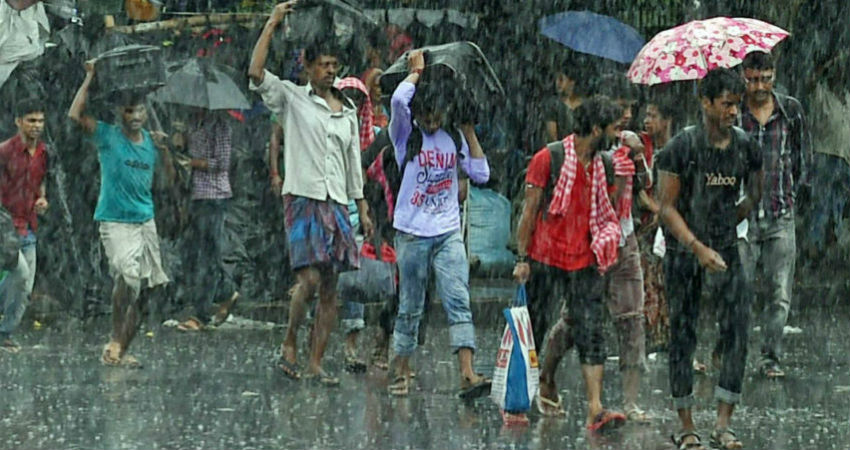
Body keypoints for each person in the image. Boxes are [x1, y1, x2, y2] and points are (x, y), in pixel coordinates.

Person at [248, 1, 373, 386]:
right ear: (308, 66)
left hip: (338, 202)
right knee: (309, 281)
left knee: (333, 286)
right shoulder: (292, 97)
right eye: (324, 65)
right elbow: (255, 72)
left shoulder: (347, 110)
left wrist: (363, 207)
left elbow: (354, 165)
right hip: (302, 197)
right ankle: (289, 342)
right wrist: (272, 23)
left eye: (335, 65)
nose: (331, 71)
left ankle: (316, 362)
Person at [656, 68, 762, 450]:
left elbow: (753, 195)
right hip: (684, 253)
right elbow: (666, 208)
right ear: (705, 103)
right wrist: (697, 246)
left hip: (727, 249)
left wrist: (723, 230)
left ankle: (723, 422)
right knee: (682, 335)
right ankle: (686, 424)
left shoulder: (747, 147)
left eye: (738, 104)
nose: (734, 111)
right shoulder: (681, 148)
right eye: (727, 104)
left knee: (736, 329)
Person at [515, 94, 626, 430]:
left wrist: (627, 171)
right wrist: (522, 258)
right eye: (612, 129)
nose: (616, 136)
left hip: (584, 259)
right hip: (545, 257)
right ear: (595, 129)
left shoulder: (605, 162)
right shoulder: (549, 158)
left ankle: (595, 408)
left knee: (591, 331)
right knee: (531, 328)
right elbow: (529, 210)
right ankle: (520, 396)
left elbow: (609, 206)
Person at [386, 50, 490, 398]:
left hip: (446, 232)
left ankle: (467, 373)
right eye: (426, 111)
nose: (432, 118)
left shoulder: (452, 139)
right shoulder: (405, 136)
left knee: (458, 299)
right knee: (411, 306)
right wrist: (416, 73)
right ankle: (400, 369)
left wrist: (469, 131)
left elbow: (481, 173)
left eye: (438, 112)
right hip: (412, 234)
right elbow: (399, 100)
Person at [68, 60, 175, 368]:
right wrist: (89, 77)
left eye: (140, 110)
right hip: (115, 221)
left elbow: (167, 182)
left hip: (145, 220)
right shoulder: (108, 135)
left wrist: (165, 150)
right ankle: (115, 336)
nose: (137, 116)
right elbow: (75, 115)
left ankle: (120, 349)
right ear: (120, 114)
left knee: (151, 287)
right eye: (130, 111)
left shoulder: (151, 144)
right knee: (129, 279)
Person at [737, 51, 811, 379]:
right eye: (753, 79)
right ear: (744, 77)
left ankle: (770, 357)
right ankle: (731, 353)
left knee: (780, 293)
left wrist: (795, 193)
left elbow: (801, 158)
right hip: (744, 214)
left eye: (765, 78)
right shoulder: (734, 113)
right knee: (739, 288)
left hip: (781, 211)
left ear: (774, 75)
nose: (760, 86)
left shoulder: (790, 110)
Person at [594, 74, 652, 423]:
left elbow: (647, 187)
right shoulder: (591, 145)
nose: (626, 114)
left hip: (626, 240)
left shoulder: (633, 144)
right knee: (578, 321)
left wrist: (640, 157)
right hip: (593, 243)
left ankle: (630, 402)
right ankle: (559, 383)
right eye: (620, 108)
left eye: (630, 107)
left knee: (632, 323)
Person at [173, 109, 240, 331]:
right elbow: (183, 150)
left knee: (208, 256)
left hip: (214, 197)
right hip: (195, 195)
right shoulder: (192, 122)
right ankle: (227, 291)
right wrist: (179, 141)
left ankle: (201, 315)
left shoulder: (220, 126)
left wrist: (192, 163)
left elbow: (221, 163)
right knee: (195, 252)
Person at [0, 98, 48, 353]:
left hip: (29, 225)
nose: (37, 125)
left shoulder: (43, 152)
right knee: (20, 274)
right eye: (31, 120)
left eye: (40, 120)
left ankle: (5, 333)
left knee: (25, 287)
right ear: (18, 122)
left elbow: (41, 182)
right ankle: (5, 332)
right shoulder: (5, 151)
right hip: (5, 228)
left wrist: (42, 198)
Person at [637, 95, 676, 354]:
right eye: (646, 115)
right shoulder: (641, 147)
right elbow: (637, 186)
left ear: (667, 120)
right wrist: (657, 209)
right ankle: (653, 335)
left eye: (653, 116)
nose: (647, 120)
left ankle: (668, 335)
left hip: (670, 225)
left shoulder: (678, 148)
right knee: (649, 281)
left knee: (667, 282)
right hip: (646, 226)